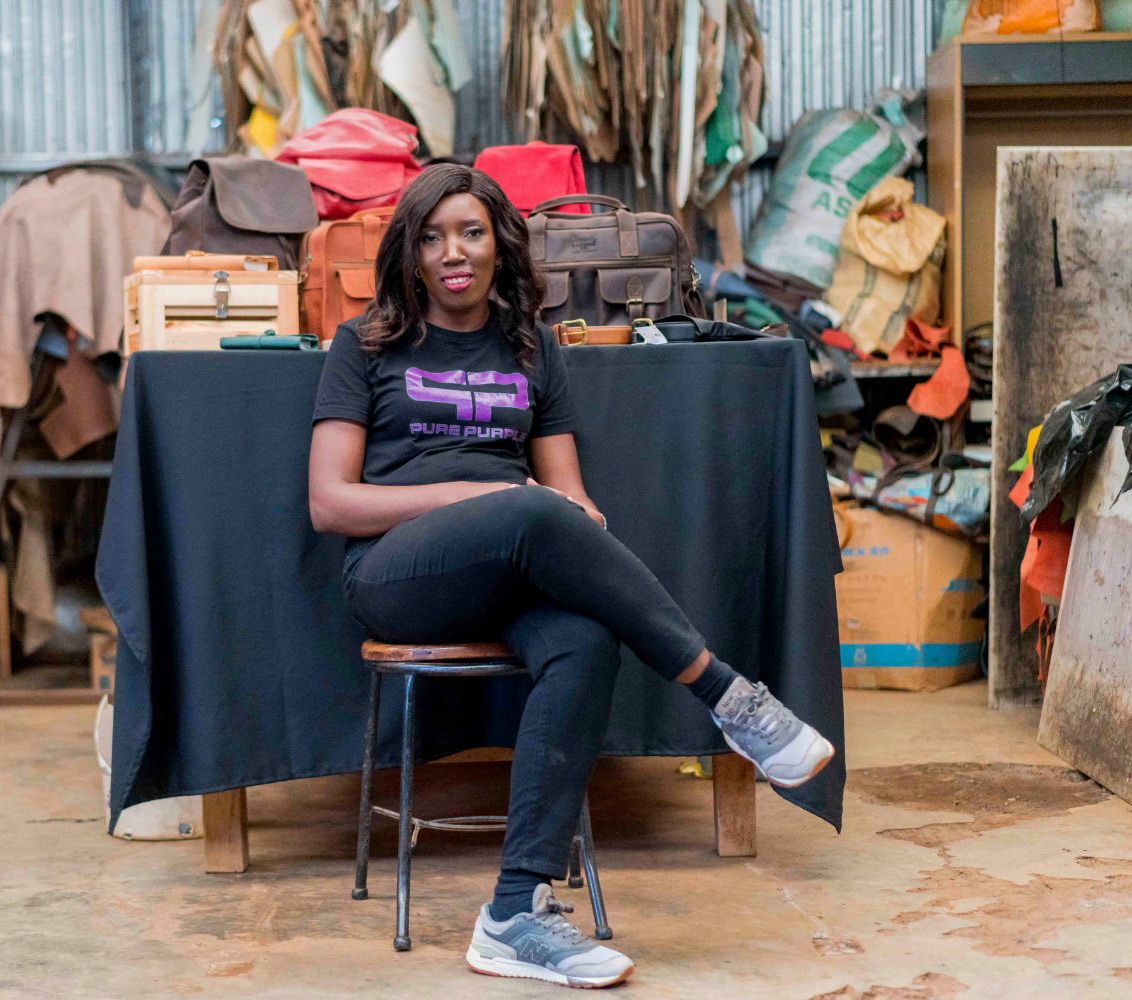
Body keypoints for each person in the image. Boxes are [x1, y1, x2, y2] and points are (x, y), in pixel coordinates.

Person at [308, 164, 835, 988]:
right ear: (409, 252)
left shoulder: (530, 347)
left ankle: (515, 912)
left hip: (511, 559)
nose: (454, 252)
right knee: (527, 507)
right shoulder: (367, 344)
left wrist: (569, 519)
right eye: (433, 235)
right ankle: (729, 698)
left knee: (585, 639)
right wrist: (484, 493)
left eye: (472, 232)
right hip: (397, 572)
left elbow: (569, 494)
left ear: (499, 245)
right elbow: (331, 503)